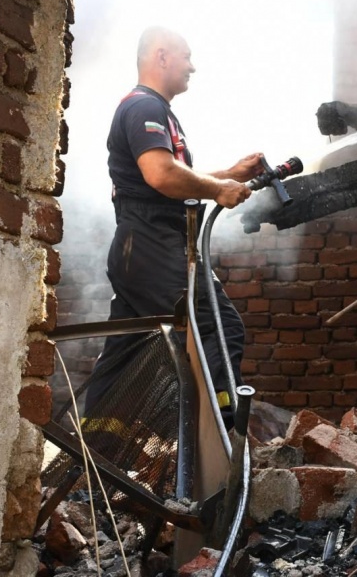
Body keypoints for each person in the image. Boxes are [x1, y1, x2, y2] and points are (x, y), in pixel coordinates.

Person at [84, 26, 264, 429]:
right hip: (152, 246)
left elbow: (170, 177)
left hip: (137, 251)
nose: (193, 67)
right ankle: (221, 443)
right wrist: (219, 189)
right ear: (162, 56)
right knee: (218, 328)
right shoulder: (143, 108)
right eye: (186, 56)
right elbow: (161, 175)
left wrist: (229, 174)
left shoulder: (154, 112)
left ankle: (95, 456)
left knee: (127, 357)